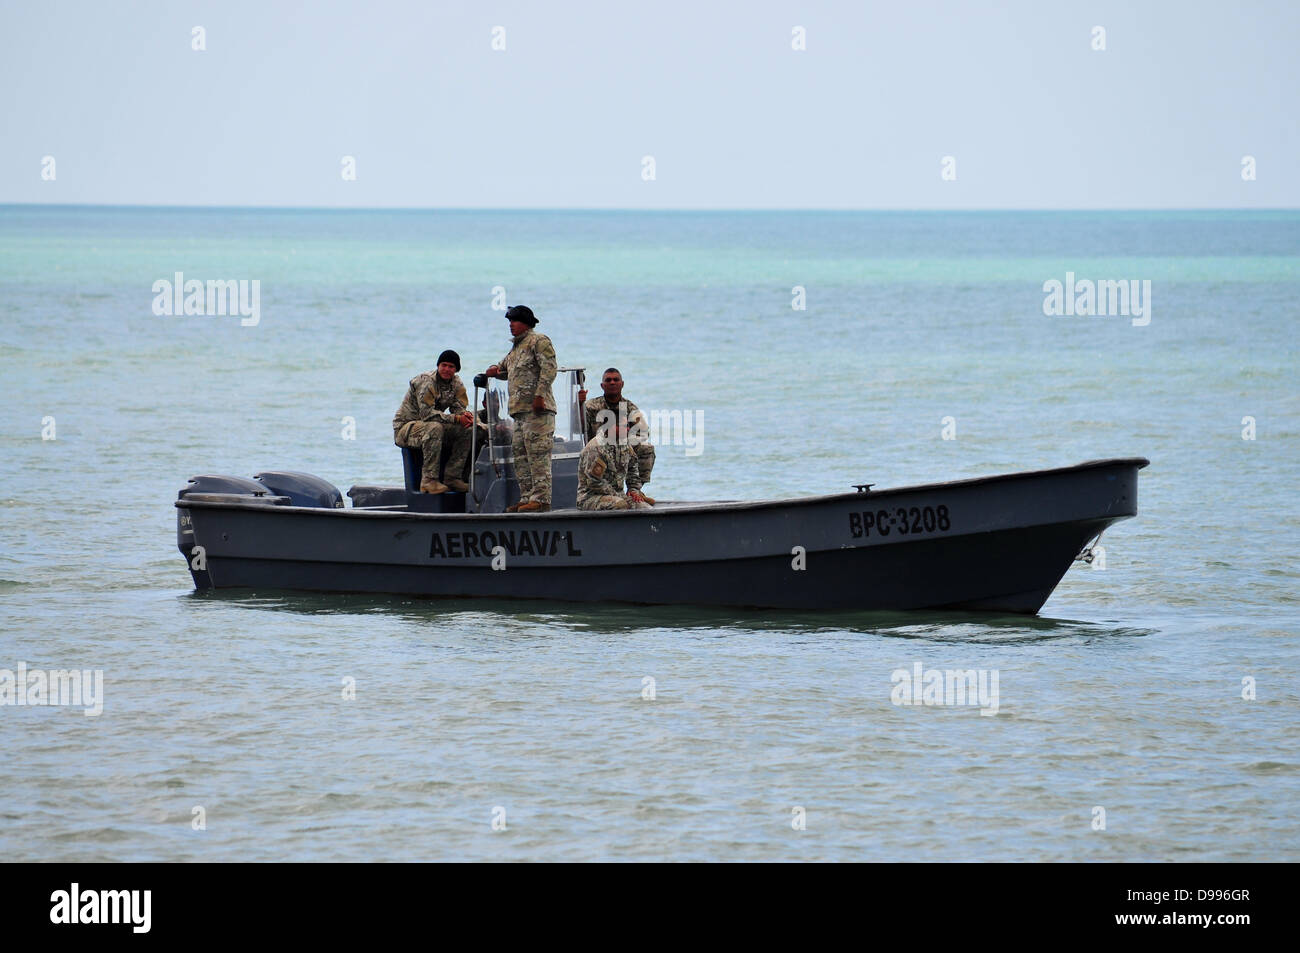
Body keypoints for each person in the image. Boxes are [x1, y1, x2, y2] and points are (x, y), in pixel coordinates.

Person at [485, 305, 557, 512]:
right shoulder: (516, 349)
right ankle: (527, 498)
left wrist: (540, 394)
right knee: (520, 455)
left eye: (514, 321)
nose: (511, 325)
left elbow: (549, 368)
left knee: (538, 455)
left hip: (538, 411)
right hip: (519, 412)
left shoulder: (539, 341)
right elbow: (502, 369)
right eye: (509, 322)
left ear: (525, 322)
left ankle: (542, 499)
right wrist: (494, 371)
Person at [392, 349, 474, 494]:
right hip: (406, 428)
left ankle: (453, 477)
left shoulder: (456, 384)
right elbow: (427, 415)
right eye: (443, 365)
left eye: (451, 366)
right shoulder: (426, 381)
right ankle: (429, 481)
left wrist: (468, 419)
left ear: (456, 369)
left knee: (467, 429)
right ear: (438, 365)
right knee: (435, 427)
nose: (446, 369)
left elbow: (459, 409)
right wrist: (456, 419)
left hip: (431, 425)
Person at [579, 367, 656, 499]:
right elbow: (579, 428)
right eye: (608, 380)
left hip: (622, 449)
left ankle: (635, 491)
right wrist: (579, 404)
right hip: (598, 452)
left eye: (616, 380)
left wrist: (623, 442)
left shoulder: (630, 407)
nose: (612, 383)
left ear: (622, 384)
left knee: (646, 448)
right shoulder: (591, 406)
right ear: (602, 386)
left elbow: (643, 433)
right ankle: (605, 494)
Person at [577, 411, 653, 511]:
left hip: (617, 496)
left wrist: (633, 490)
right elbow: (594, 482)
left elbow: (632, 467)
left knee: (644, 507)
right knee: (620, 505)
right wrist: (620, 496)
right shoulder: (595, 448)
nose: (628, 429)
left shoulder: (623, 443)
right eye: (624, 426)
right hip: (591, 498)